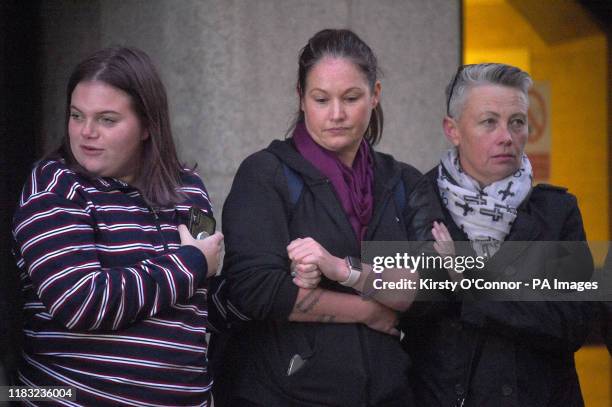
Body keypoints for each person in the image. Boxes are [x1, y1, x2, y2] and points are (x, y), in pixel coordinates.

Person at [216, 29, 441, 406]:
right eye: (321, 99)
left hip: (390, 393)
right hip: (282, 394)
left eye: (351, 98)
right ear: (302, 99)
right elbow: (256, 289)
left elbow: (433, 287)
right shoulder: (265, 174)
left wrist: (344, 271)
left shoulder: (403, 182)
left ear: (375, 95)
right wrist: (368, 310)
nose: (336, 114)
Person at [12, 46, 223, 406]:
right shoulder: (55, 184)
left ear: (146, 126)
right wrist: (191, 263)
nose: (86, 132)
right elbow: (79, 301)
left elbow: (205, 297)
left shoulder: (188, 189)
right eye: (77, 116)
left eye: (107, 120)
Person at [404, 63, 594, 406]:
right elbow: (409, 308)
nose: (506, 136)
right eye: (489, 122)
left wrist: (471, 285)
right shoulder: (418, 202)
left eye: (517, 122)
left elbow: (573, 322)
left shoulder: (557, 212)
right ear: (453, 130)